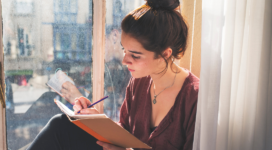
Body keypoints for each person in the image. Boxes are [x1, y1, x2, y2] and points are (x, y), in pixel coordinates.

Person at [28, 0, 199, 149]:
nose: (125, 60)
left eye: (135, 55)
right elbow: (124, 132)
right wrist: (97, 120)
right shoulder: (138, 83)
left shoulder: (194, 97)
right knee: (61, 125)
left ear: (165, 54)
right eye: (124, 50)